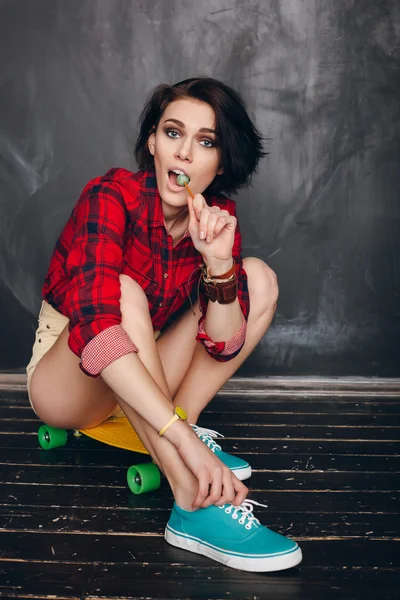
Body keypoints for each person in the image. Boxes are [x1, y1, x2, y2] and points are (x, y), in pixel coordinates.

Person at [26, 77, 302, 572]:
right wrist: (182, 442)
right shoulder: (110, 196)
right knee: (122, 289)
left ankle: (181, 428)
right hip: (69, 378)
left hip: (144, 364)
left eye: (206, 141)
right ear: (152, 142)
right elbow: (94, 325)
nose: (185, 153)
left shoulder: (218, 220)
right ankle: (190, 498)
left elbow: (222, 345)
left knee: (253, 279)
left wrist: (218, 266)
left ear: (221, 161)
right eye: (173, 133)